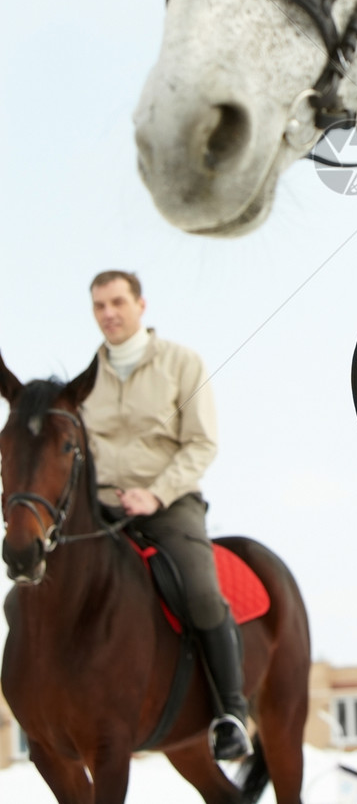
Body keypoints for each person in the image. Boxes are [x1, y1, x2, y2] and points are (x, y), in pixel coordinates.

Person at [85, 269, 253, 762]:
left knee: (202, 593)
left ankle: (232, 714)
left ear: (141, 305)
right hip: (97, 509)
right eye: (99, 306)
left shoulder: (182, 363)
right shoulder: (85, 380)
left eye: (117, 302)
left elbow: (202, 443)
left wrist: (155, 495)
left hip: (168, 504)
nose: (108, 314)